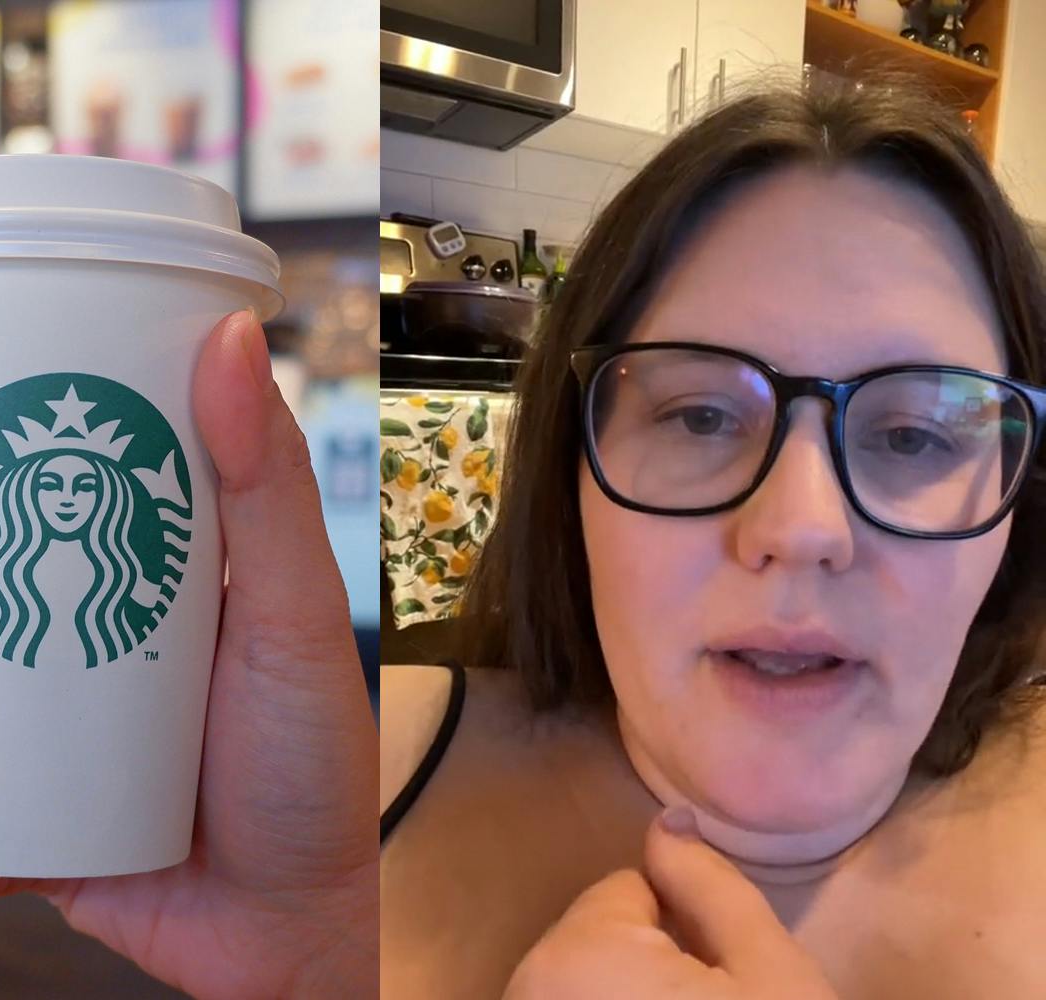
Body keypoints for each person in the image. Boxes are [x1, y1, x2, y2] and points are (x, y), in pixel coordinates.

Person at [378, 81, 1046, 998]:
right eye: (698, 417)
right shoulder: (352, 769)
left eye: (915, 434)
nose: (803, 529)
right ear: (569, 460)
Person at [0, 307, 385, 997]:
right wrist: (317, 937)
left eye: (85, 484)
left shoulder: (123, 578)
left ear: (111, 492)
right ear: (23, 490)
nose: (68, 499)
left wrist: (317, 918)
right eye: (51, 483)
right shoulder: (4, 576)